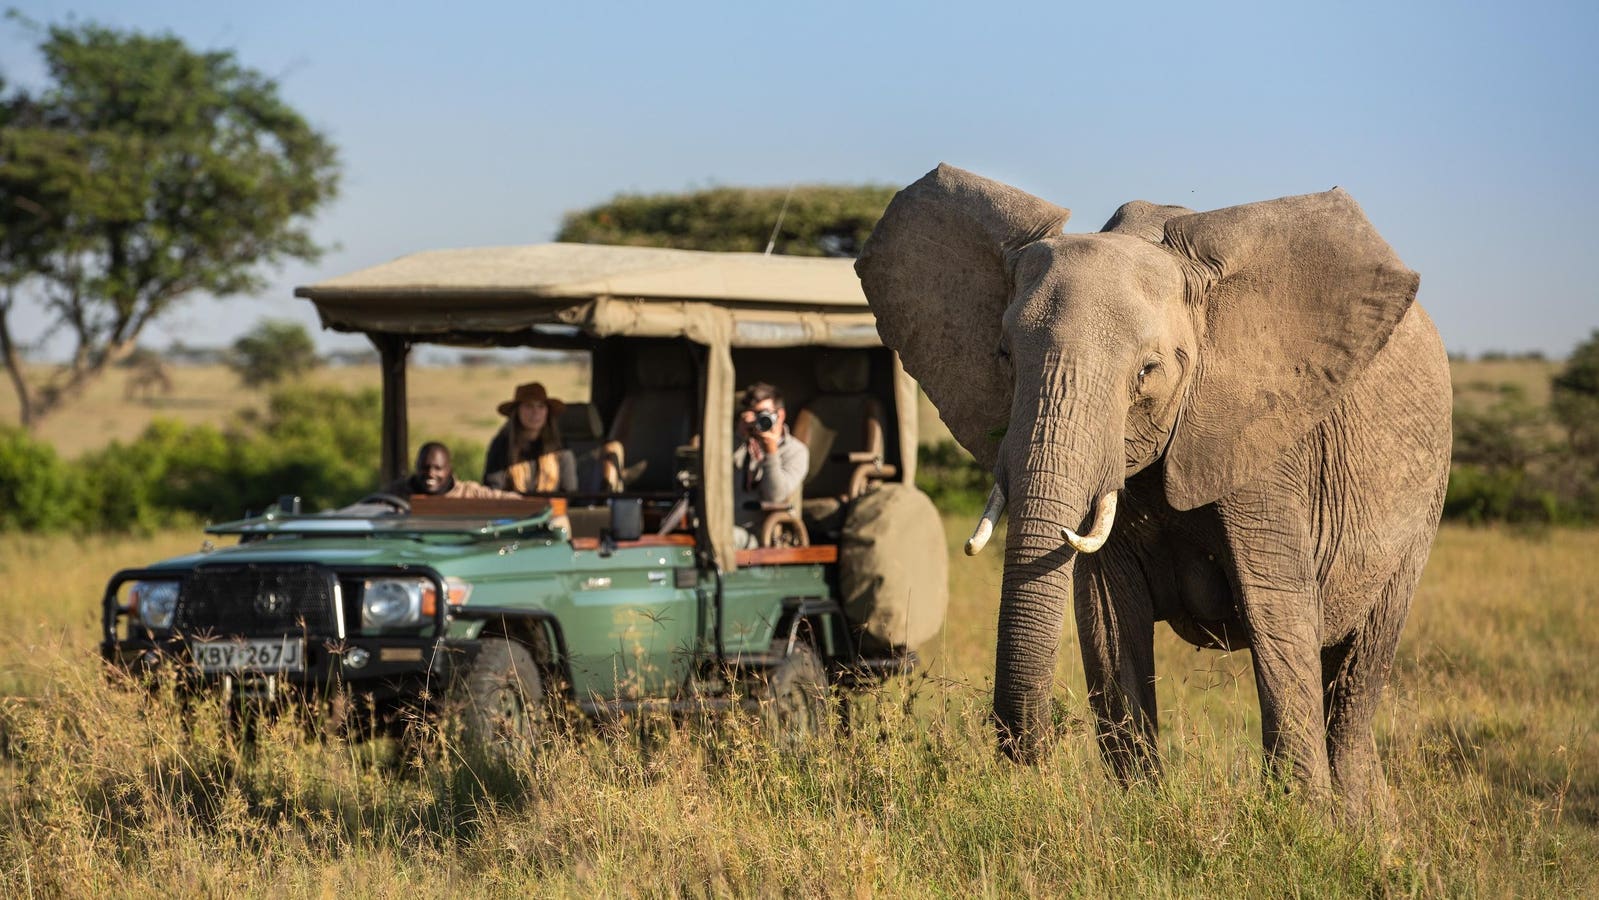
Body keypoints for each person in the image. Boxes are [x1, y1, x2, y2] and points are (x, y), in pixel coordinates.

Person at [732, 382, 810, 549]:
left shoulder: (796, 451)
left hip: (766, 536)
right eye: (753, 414)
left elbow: (775, 496)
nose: (758, 420)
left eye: (763, 414)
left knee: (726, 537)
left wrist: (770, 450)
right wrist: (739, 437)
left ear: (780, 415)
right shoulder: (739, 445)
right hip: (728, 526)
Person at [483, 381, 578, 493]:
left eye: (541, 406)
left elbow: (570, 493)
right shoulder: (501, 446)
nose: (535, 412)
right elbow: (493, 490)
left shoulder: (561, 450)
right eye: (529, 406)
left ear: (547, 412)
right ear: (517, 411)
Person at [384, 442, 521, 499]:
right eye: (425, 467)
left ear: (449, 469)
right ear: (416, 467)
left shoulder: (469, 493)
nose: (431, 473)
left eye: (438, 468)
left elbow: (509, 501)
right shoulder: (396, 494)